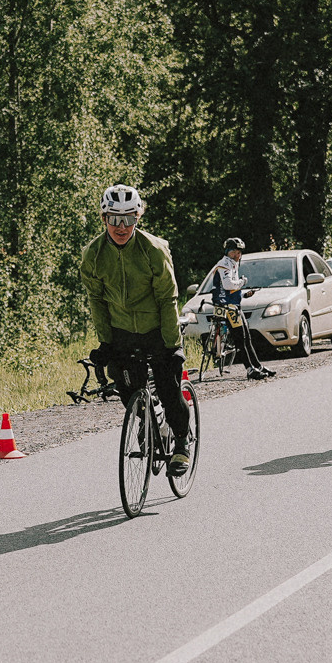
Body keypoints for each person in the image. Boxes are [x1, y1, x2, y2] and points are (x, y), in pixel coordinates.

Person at [80, 184, 192, 475]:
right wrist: (106, 343)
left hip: (157, 330)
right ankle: (148, 419)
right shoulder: (93, 254)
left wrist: (173, 345)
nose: (122, 226)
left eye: (129, 218)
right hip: (122, 333)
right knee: (128, 389)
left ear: (138, 217)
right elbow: (96, 301)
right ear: (104, 218)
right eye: (115, 219)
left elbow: (167, 299)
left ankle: (182, 442)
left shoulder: (153, 250)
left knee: (168, 389)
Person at [199, 237, 274, 379]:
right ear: (227, 251)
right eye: (234, 252)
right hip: (226, 307)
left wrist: (244, 294)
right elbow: (228, 285)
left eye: (239, 252)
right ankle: (250, 369)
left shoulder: (232, 264)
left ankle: (258, 366)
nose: (237, 255)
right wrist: (242, 282)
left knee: (247, 338)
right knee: (240, 338)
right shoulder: (224, 265)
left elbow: (231, 289)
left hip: (233, 305)